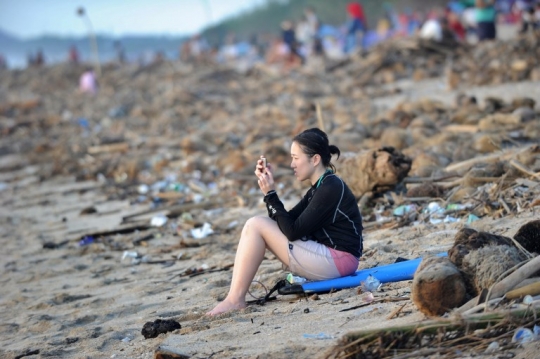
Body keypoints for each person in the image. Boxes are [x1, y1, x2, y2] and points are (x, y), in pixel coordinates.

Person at [207, 128, 364, 316]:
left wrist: (271, 194)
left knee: (255, 224)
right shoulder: (322, 186)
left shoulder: (330, 187)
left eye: (296, 158)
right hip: (335, 259)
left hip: (339, 261)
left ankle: (234, 300)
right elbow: (288, 222)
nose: (292, 164)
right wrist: (269, 189)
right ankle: (234, 298)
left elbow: (291, 231)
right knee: (257, 225)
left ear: (314, 159)